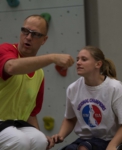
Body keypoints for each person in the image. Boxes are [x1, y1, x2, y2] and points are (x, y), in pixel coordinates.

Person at [0, 14, 74, 150]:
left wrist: (39, 135)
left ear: (44, 40)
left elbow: (31, 113)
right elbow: (11, 67)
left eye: (35, 34)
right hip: (5, 126)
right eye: (25, 31)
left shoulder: (39, 73)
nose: (28, 37)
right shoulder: (5, 50)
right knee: (19, 141)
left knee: (40, 141)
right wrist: (52, 57)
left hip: (14, 125)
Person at [52, 46, 122, 150]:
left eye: (84, 59)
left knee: (84, 148)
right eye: (77, 59)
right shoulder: (73, 88)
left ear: (98, 64)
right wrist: (61, 135)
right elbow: (70, 119)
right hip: (85, 140)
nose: (78, 63)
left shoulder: (115, 87)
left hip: (110, 139)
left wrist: (112, 145)